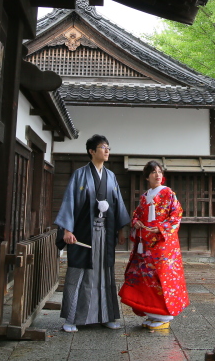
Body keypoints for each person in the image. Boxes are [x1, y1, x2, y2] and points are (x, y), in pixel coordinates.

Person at [54, 134, 130, 332]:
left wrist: (121, 230)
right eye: (103, 147)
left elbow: (117, 204)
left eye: (108, 147)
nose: (107, 151)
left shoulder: (111, 176)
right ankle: (71, 319)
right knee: (78, 272)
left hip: (105, 232)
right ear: (91, 151)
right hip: (82, 232)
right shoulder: (79, 175)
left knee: (104, 272)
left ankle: (106, 315)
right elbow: (70, 201)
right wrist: (67, 230)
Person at [119, 160, 189, 330]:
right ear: (147, 177)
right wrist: (136, 223)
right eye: (153, 172)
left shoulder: (168, 193)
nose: (157, 175)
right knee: (146, 278)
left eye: (159, 171)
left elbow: (176, 215)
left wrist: (160, 228)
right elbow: (137, 214)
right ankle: (152, 313)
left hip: (163, 244)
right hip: (146, 244)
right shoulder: (145, 196)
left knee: (162, 278)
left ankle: (164, 315)